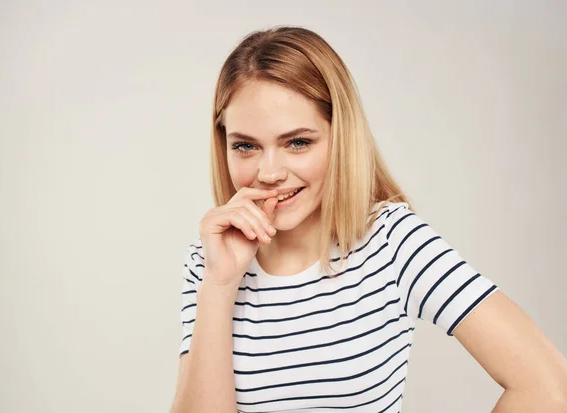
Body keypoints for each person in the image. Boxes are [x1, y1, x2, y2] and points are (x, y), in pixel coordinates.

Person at [170, 26, 567, 413]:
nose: (269, 171)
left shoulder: (392, 241)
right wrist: (220, 284)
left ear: (340, 135)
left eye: (297, 142)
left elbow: (548, 388)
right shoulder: (209, 262)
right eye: (245, 146)